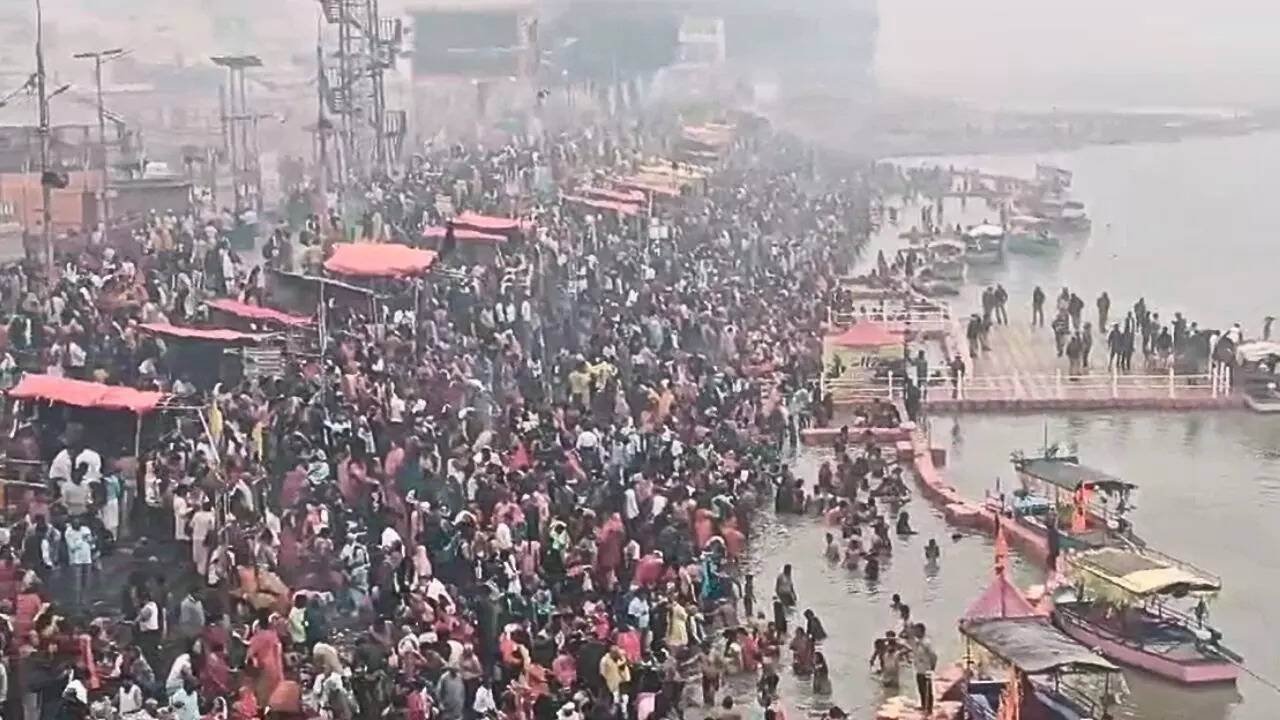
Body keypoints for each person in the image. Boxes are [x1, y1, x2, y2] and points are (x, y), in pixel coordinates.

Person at [909, 624, 938, 715]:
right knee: (921, 689)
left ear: (921, 631)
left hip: (926, 670)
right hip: (919, 669)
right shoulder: (917, 642)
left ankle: (929, 709)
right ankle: (923, 705)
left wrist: (932, 667)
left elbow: (934, 656)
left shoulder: (926, 643)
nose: (915, 632)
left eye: (916, 631)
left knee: (927, 690)